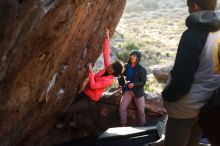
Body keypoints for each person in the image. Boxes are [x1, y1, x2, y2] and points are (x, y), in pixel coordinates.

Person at [162, 0, 220, 146]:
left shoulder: (192, 34)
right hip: (209, 103)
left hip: (185, 107)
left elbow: (182, 79)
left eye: (188, 6)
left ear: (195, 6)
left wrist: (167, 97)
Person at [56, 29, 123, 128]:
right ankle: (72, 123)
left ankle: (62, 124)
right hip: (85, 93)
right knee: (74, 105)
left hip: (90, 99)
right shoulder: (107, 69)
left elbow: (93, 85)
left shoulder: (109, 80)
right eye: (111, 65)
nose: (109, 65)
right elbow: (106, 53)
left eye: (111, 66)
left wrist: (91, 72)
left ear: (113, 71)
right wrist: (107, 38)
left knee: (71, 109)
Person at [118, 49, 147, 126]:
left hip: (138, 92)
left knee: (141, 111)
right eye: (131, 55)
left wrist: (134, 84)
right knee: (122, 108)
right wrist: (120, 86)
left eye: (134, 55)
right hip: (127, 91)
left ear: (138, 58)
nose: (131, 57)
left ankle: (142, 128)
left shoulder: (142, 69)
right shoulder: (126, 66)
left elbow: (143, 82)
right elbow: (120, 76)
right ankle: (123, 126)